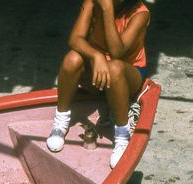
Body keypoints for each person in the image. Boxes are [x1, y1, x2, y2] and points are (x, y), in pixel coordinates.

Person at [46, 0, 150, 168]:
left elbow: (117, 52)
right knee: (72, 59)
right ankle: (61, 120)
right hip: (98, 67)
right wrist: (96, 55)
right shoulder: (92, 3)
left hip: (127, 72)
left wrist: (107, 9)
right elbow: (75, 39)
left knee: (114, 67)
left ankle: (122, 135)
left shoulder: (140, 14)